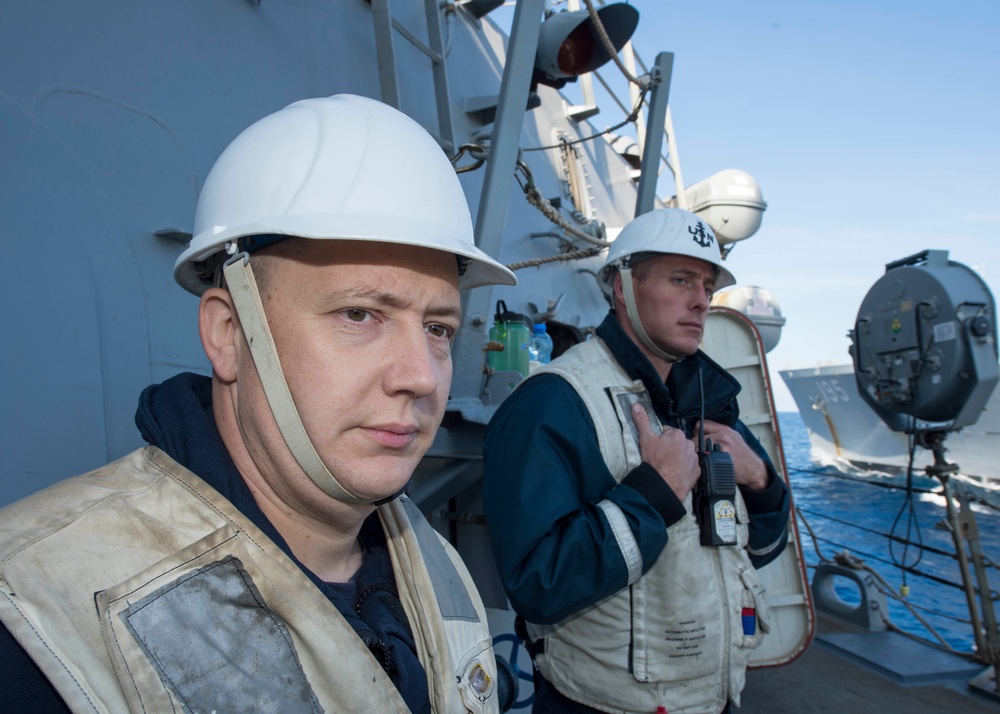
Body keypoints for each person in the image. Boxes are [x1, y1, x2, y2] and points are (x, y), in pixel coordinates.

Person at [0, 94, 518, 713]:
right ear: (228, 334)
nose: (424, 378)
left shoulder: (436, 560)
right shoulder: (33, 617)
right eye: (360, 314)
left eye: (437, 328)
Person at [482, 208, 790, 714]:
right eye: (680, 279)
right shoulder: (553, 402)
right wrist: (654, 493)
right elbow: (538, 584)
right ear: (624, 286)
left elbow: (750, 554)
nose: (700, 301)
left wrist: (762, 485)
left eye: (708, 287)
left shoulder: (710, 403)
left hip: (716, 696)